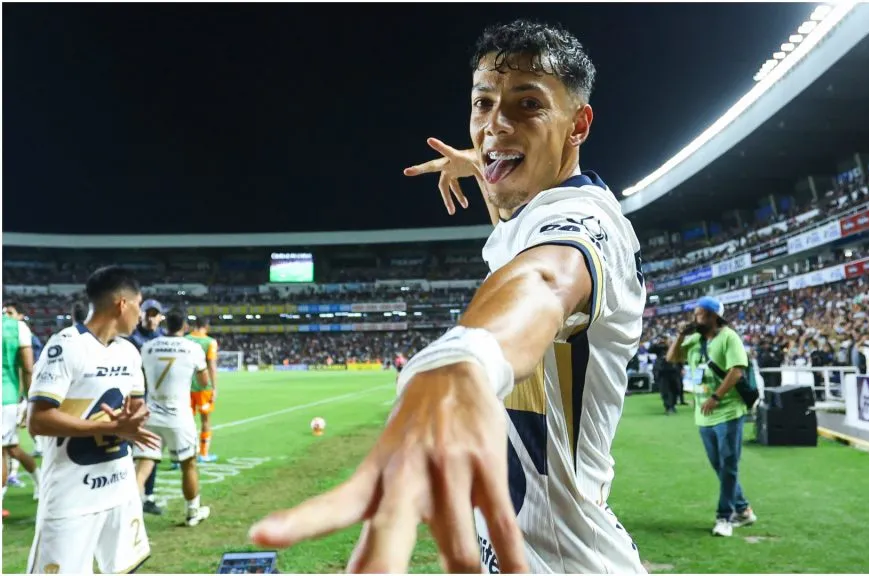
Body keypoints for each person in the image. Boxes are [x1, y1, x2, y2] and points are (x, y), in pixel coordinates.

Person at [248, 20, 647, 574]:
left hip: (562, 561)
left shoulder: (581, 220)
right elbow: (511, 221)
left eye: (528, 104)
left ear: (578, 124)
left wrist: (462, 361)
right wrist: (482, 164)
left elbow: (544, 280)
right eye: (482, 104)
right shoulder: (529, 210)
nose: (495, 124)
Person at [25, 265, 159, 574]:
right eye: (138, 304)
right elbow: (39, 420)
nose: (140, 315)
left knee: (126, 568)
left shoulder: (129, 352)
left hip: (119, 487)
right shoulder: (66, 346)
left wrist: (133, 424)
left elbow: (133, 410)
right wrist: (111, 427)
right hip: (72, 495)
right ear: (121, 304)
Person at [667, 296, 756, 537]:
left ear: (715, 316)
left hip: (727, 411)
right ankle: (743, 509)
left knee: (728, 465)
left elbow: (737, 371)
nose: (697, 318)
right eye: (695, 315)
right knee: (720, 466)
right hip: (703, 414)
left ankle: (724, 517)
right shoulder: (695, 339)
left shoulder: (729, 337)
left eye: (702, 314)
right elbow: (672, 358)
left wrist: (716, 397)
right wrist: (680, 336)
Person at [134, 309, 212, 526]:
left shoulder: (147, 347)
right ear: (185, 326)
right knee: (188, 465)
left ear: (164, 325)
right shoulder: (192, 348)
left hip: (150, 415)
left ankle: (131, 516)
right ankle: (192, 513)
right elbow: (204, 381)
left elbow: (139, 376)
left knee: (142, 466)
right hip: (179, 416)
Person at [127, 299, 166, 515]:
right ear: (141, 315)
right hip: (134, 402)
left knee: (151, 450)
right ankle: (127, 498)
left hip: (155, 404)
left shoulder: (163, 340)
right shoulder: (132, 339)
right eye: (148, 314)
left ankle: (148, 497)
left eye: (155, 314)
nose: (151, 318)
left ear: (161, 317)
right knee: (128, 452)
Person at [3, 302, 43, 497]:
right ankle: (41, 481)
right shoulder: (17, 330)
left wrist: (29, 401)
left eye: (10, 312)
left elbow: (29, 368)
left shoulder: (22, 332)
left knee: (6, 450)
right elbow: (27, 368)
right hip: (10, 398)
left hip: (11, 398)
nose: (6, 314)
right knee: (11, 448)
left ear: (20, 315)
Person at [186, 317, 219, 463]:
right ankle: (203, 454)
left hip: (185, 386)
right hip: (203, 387)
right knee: (205, 420)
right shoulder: (209, 342)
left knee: (186, 421)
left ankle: (183, 454)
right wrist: (215, 387)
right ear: (207, 326)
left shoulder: (184, 339)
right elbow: (211, 365)